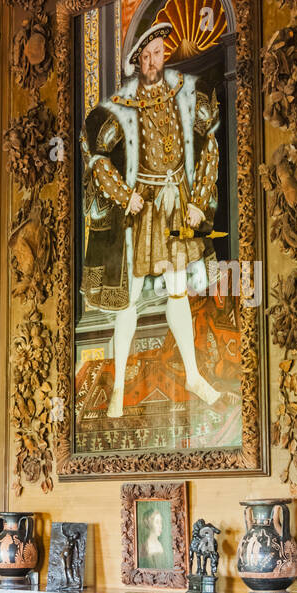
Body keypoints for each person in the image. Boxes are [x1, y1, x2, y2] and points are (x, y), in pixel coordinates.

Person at [80, 21, 222, 419]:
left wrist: (198, 200)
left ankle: (193, 374)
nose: (153, 61)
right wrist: (126, 198)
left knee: (177, 289)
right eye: (145, 55)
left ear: (165, 53)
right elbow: (97, 158)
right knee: (131, 297)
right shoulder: (121, 104)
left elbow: (210, 143)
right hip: (143, 207)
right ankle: (119, 389)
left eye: (158, 52)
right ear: (137, 61)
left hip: (177, 201)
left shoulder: (185, 93)